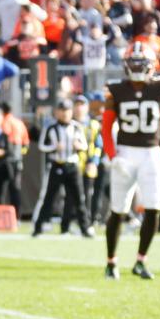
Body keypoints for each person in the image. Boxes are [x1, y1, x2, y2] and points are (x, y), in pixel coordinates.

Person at [102, 42, 160, 279]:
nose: (137, 67)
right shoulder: (116, 89)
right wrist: (112, 154)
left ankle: (141, 260)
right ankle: (111, 262)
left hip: (151, 153)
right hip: (126, 152)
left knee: (154, 208)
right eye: (134, 63)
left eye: (142, 63)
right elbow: (106, 126)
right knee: (118, 210)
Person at [32, 99, 95, 238]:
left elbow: (85, 145)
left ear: (71, 112)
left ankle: (85, 228)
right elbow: (42, 146)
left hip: (72, 165)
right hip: (57, 164)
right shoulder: (51, 128)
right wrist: (54, 147)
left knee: (79, 198)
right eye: (62, 110)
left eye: (67, 110)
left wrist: (79, 146)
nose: (65, 113)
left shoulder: (77, 127)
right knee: (49, 197)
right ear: (57, 112)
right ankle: (39, 227)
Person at [66, 95, 102, 233]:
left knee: (86, 195)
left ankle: (86, 223)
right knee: (70, 195)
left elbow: (98, 145)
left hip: (88, 165)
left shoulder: (93, 124)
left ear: (87, 107)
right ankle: (69, 223)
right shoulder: (69, 123)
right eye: (77, 104)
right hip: (72, 164)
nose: (79, 108)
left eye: (82, 104)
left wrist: (94, 161)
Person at [86, 91, 111, 227]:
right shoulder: (90, 119)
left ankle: (94, 217)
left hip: (104, 159)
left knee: (100, 190)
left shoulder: (106, 118)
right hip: (91, 159)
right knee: (92, 190)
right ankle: (91, 217)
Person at [0, 102, 29, 216]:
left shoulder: (5, 122)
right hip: (17, 158)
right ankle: (17, 215)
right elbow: (26, 143)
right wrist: (20, 154)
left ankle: (1, 215)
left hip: (6, 158)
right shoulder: (19, 123)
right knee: (15, 187)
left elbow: (4, 140)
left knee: (1, 187)